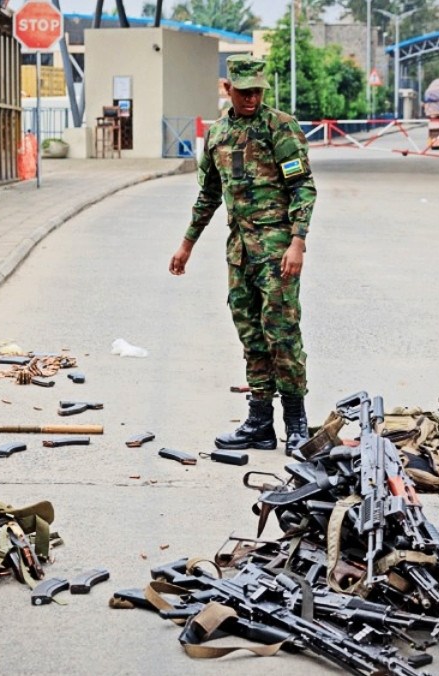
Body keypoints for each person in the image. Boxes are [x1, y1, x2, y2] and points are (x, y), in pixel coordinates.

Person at [169, 55, 317, 455]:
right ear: (227, 88)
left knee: (282, 335)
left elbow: (303, 187)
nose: (251, 98)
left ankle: (297, 424)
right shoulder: (217, 134)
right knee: (251, 336)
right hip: (240, 252)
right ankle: (259, 423)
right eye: (244, 91)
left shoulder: (280, 127)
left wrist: (298, 241)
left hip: (277, 253)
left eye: (257, 91)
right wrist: (187, 243)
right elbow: (209, 195)